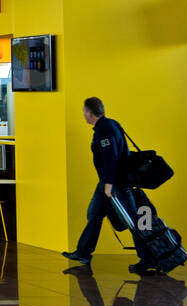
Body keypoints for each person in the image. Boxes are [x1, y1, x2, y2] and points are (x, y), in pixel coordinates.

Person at [63, 97, 150, 273]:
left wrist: (109, 184)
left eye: (84, 112)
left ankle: (148, 258)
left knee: (132, 220)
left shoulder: (104, 130)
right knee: (94, 214)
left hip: (115, 182)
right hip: (106, 182)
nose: (84, 116)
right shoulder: (112, 124)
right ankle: (83, 252)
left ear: (89, 113)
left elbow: (111, 159)